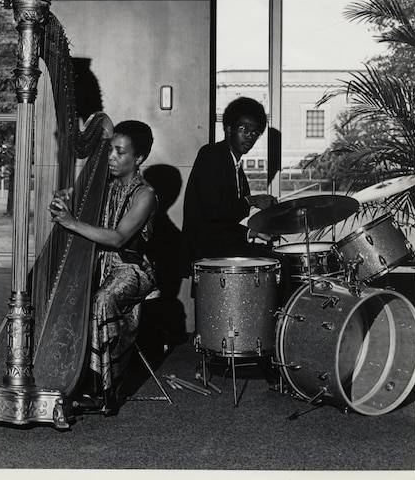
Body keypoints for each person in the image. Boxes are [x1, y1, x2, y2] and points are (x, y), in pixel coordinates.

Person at [48, 120, 157, 416]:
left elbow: (119, 238)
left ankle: (100, 391)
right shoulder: (104, 187)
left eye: (120, 152)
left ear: (138, 159)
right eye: (110, 150)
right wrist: (63, 202)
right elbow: (76, 206)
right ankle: (65, 374)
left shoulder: (144, 194)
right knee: (71, 293)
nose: (111, 157)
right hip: (101, 264)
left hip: (132, 270)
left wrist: (72, 222)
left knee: (102, 299)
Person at [179, 97, 279, 277]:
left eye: (255, 133)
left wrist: (253, 233)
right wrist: (252, 201)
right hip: (208, 251)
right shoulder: (210, 155)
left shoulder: (236, 167)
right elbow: (214, 212)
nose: (250, 136)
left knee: (276, 260)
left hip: (223, 245)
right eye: (244, 129)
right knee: (278, 264)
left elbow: (225, 224)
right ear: (228, 128)